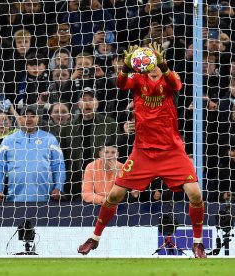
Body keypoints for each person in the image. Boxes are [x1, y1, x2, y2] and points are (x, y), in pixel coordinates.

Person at [77, 42, 206, 258]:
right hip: (143, 152)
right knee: (114, 195)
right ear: (143, 65)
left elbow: (177, 85)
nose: (152, 66)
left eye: (155, 62)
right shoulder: (138, 80)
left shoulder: (169, 77)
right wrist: (126, 67)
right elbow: (119, 83)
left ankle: (198, 243)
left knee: (195, 194)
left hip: (171, 150)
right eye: (149, 63)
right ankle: (95, 238)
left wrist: (163, 64)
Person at [0, 105, 65, 202]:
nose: (29, 119)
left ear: (38, 118)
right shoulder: (8, 141)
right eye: (25, 116)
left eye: (32, 116)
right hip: (15, 202)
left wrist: (59, 188)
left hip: (46, 201)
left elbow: (59, 166)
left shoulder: (50, 139)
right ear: (20, 119)